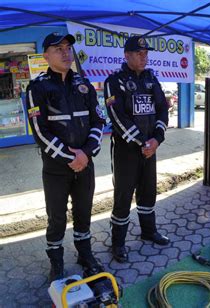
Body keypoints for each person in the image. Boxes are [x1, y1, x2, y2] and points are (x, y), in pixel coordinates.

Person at [26, 33, 106, 281]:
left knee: (83, 212)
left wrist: (86, 153)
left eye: (68, 47)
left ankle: (85, 255)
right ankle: (57, 263)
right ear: (46, 55)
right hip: (56, 169)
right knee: (57, 217)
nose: (65, 52)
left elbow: (98, 120)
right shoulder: (37, 88)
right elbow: (40, 130)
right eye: (58, 48)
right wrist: (69, 157)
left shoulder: (84, 83)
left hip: (85, 165)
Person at [104, 36, 170, 263]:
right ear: (127, 55)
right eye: (139, 53)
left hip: (150, 149)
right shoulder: (114, 81)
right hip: (127, 151)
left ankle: (149, 231)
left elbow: (163, 109)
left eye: (146, 53)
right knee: (123, 196)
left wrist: (157, 140)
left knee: (148, 191)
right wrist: (143, 142)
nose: (144, 57)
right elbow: (118, 117)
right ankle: (118, 243)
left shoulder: (152, 78)